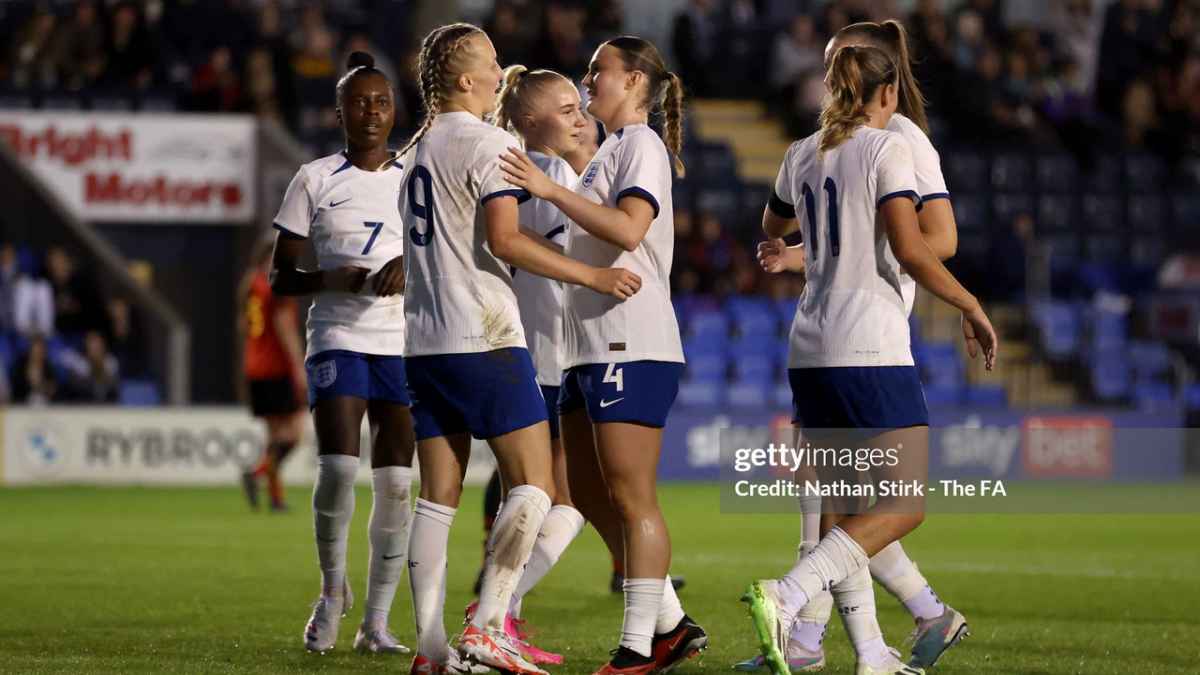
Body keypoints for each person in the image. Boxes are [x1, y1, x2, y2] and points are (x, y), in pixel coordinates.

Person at [740, 45, 997, 675]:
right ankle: (788, 594)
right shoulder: (886, 149)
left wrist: (797, 250)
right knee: (903, 506)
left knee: (843, 510)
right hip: (871, 346)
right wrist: (970, 304)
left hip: (810, 348)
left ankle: (869, 655)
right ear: (886, 95)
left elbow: (773, 224)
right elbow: (913, 249)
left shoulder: (799, 152)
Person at [398, 24, 640, 675]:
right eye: (492, 62)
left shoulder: (414, 152)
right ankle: (487, 626)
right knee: (535, 485)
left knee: (438, 495)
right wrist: (593, 275)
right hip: (486, 335)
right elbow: (506, 241)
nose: (501, 68)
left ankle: (430, 648)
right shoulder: (489, 143)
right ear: (469, 81)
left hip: (422, 342)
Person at [500, 35, 707, 675]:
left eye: (600, 71)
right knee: (588, 495)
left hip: (631, 342)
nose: (590, 80)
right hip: (588, 348)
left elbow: (627, 229)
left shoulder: (640, 144)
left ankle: (638, 648)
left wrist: (549, 189)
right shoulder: (606, 153)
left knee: (632, 496)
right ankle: (670, 623)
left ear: (637, 82)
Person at [270, 51, 417, 657]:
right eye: (360, 101)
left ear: (394, 109)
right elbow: (281, 277)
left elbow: (447, 254)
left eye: (382, 102)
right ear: (339, 112)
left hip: (404, 342)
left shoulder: (415, 178)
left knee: (397, 484)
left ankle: (377, 622)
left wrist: (411, 267)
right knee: (336, 468)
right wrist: (332, 278)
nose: (373, 111)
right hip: (336, 334)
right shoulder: (314, 178)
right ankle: (332, 592)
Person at [238, 236, 307, 513]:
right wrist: (299, 366)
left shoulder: (250, 284)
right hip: (277, 368)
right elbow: (284, 328)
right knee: (294, 434)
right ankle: (255, 472)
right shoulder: (277, 283)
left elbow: (244, 327)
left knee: (274, 436)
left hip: (255, 366)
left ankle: (276, 499)